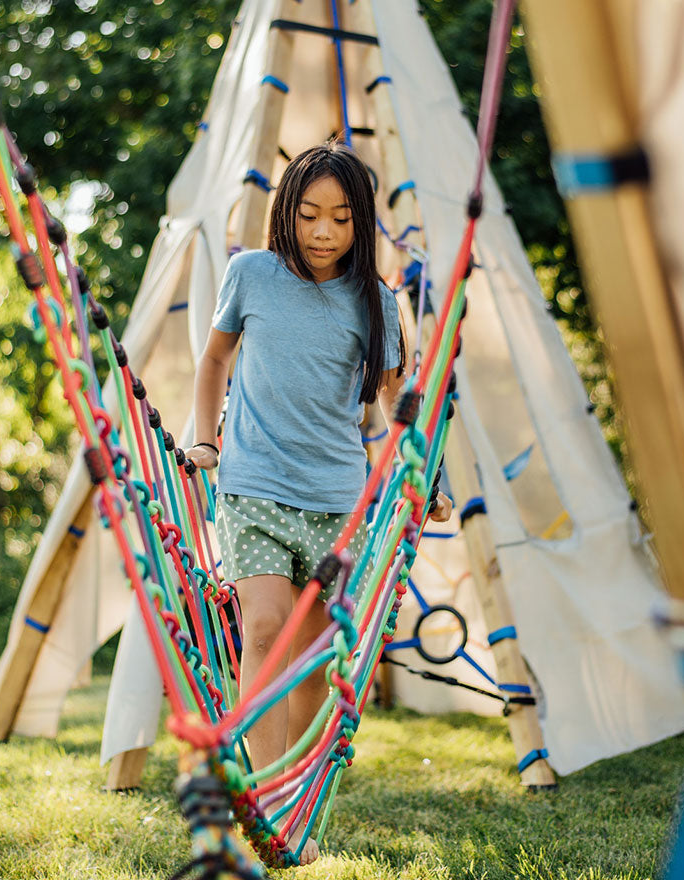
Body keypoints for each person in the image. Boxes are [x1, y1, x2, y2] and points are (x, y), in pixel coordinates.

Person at [185, 141, 451, 865]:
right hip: (253, 486)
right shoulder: (251, 274)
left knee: (310, 656)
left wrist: (428, 479)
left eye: (340, 218)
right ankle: (264, 801)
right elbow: (214, 359)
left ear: (361, 222)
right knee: (264, 628)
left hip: (337, 502)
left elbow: (396, 404)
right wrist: (203, 438)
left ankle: (295, 801)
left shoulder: (377, 302)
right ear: (286, 214)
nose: (324, 232)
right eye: (308, 215)